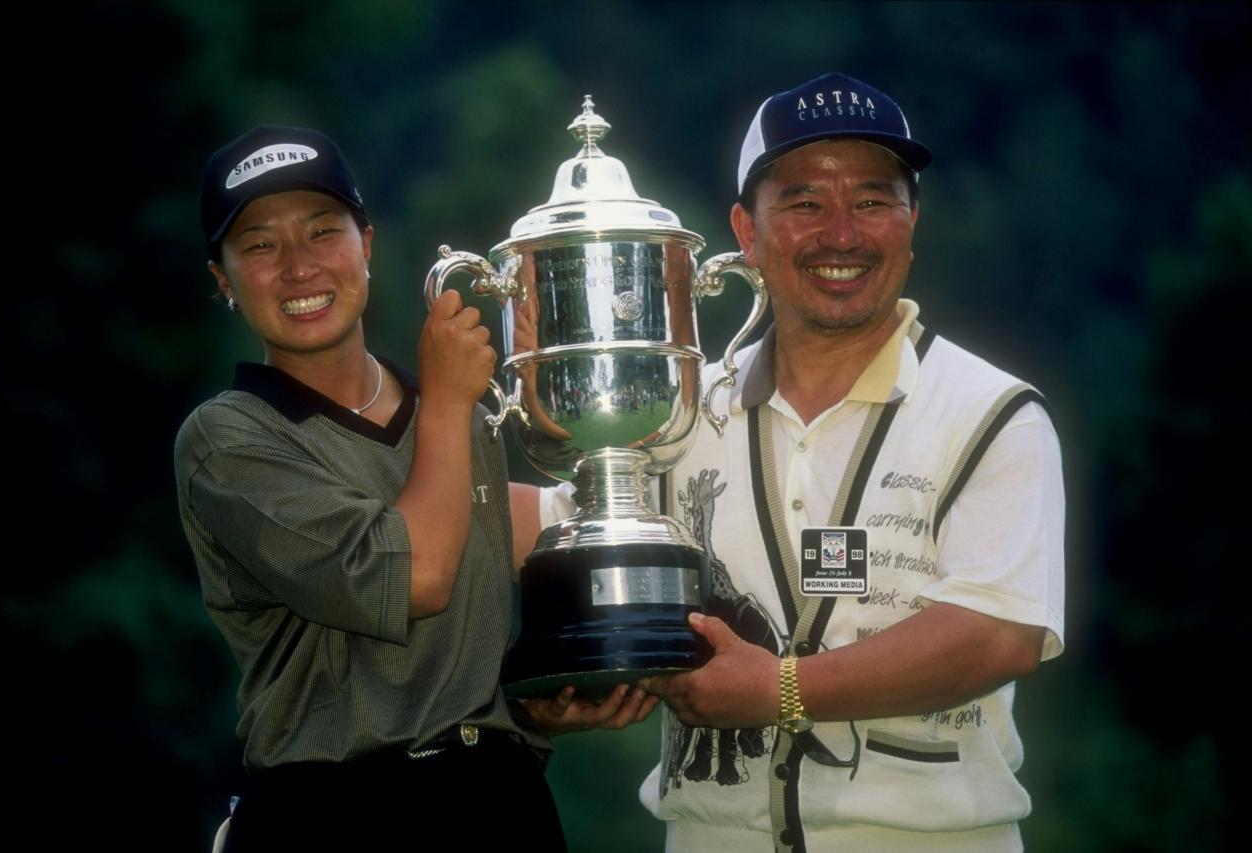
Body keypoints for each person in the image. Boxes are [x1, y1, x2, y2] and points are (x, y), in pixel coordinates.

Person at [517, 72, 1065, 851]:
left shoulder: (992, 411)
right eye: (805, 202)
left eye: (874, 200)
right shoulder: (679, 409)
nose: (842, 233)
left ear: (914, 221)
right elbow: (549, 532)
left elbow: (996, 633)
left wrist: (777, 689)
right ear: (746, 229)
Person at [176, 125, 650, 852]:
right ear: (223, 279)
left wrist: (530, 707)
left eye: (323, 231)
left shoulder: (459, 412)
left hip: (499, 802)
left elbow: (468, 633)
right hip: (335, 812)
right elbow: (418, 577)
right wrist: (454, 406)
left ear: (367, 242)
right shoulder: (229, 439)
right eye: (261, 245)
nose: (300, 267)